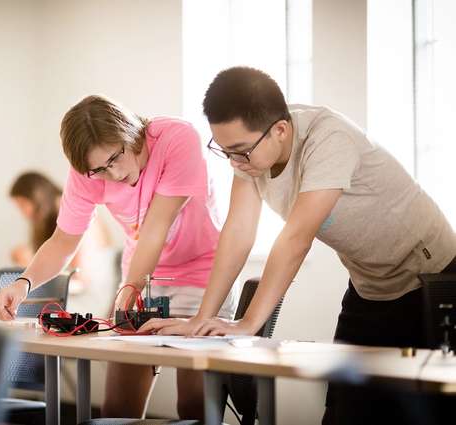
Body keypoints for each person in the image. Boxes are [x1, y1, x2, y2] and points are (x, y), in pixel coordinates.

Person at [140, 66, 456, 424]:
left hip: (434, 277)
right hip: (371, 286)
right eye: (225, 151)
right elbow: (238, 232)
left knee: (428, 411)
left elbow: (296, 239)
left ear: (280, 130)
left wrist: (247, 323)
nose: (234, 162)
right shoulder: (250, 156)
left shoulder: (329, 139)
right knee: (343, 410)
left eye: (241, 151)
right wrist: (202, 318)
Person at [0, 95, 239, 419]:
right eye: (99, 170)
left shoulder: (177, 138)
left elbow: (156, 228)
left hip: (202, 277)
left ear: (130, 133)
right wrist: (24, 282)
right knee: (117, 409)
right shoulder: (87, 172)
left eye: (114, 159)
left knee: (195, 408)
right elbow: (64, 240)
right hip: (140, 279)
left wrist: (125, 298)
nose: (112, 174)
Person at [8, 171, 110, 289]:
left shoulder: (70, 210)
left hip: (91, 290)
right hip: (79, 287)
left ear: (37, 196)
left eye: (23, 204)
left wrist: (30, 265)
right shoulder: (50, 219)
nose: (23, 212)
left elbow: (79, 274)